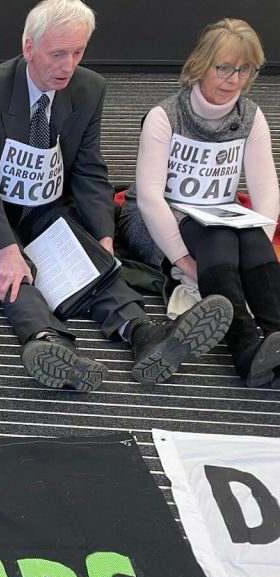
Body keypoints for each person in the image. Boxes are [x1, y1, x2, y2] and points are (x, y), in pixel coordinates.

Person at [0, 0, 233, 392]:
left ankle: (141, 332)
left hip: (45, 199)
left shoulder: (90, 89)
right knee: (10, 265)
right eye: (58, 54)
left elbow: (89, 168)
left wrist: (103, 238)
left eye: (78, 52)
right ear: (29, 48)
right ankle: (46, 340)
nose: (68, 65)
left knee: (87, 256)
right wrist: (8, 248)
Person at [118, 19, 280, 387]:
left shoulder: (251, 118)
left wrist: (256, 238)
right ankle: (245, 347)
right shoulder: (165, 116)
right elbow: (148, 198)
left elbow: (267, 190)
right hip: (159, 218)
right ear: (200, 65)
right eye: (224, 67)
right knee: (219, 235)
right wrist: (183, 261)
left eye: (244, 69)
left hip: (218, 213)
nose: (233, 79)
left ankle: (275, 336)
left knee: (249, 236)